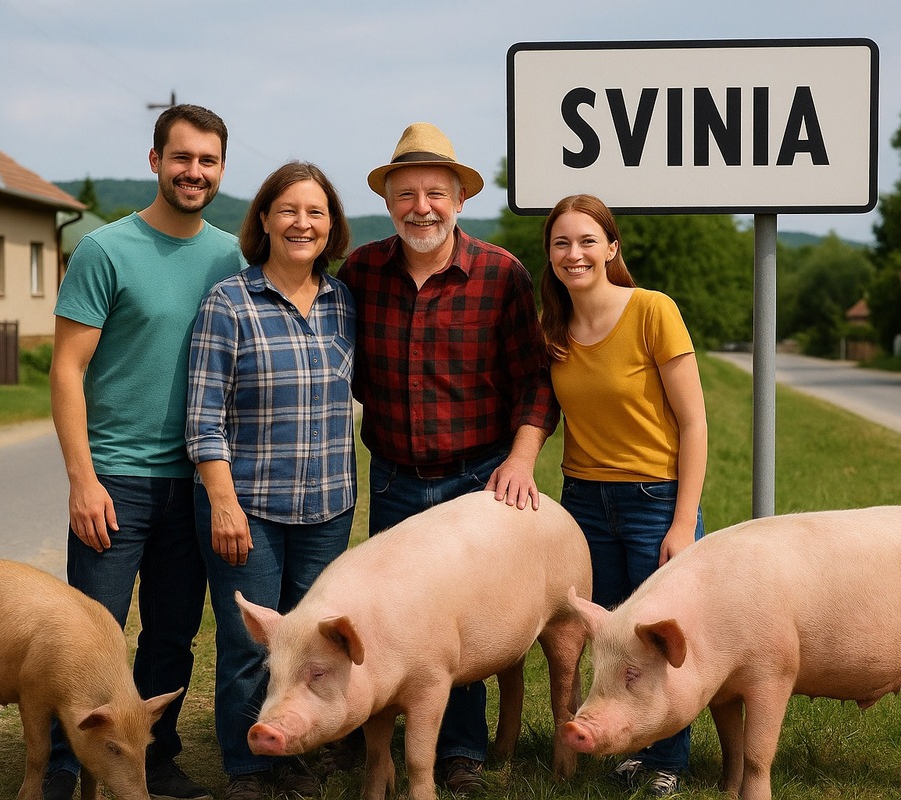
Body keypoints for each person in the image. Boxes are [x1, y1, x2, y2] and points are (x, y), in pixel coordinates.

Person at [334, 122, 559, 794]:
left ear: (459, 200)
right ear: (389, 202)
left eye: (435, 193)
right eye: (406, 194)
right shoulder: (362, 272)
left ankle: (459, 749)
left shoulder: (501, 274)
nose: (421, 207)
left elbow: (535, 382)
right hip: (398, 479)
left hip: (477, 478)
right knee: (385, 616)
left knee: (465, 622)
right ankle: (362, 727)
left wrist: (520, 460)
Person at [46, 104, 244, 800]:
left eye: (208, 161)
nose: (195, 172)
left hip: (192, 479)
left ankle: (154, 760)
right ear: (155, 159)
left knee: (172, 633)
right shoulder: (106, 250)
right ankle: (63, 769)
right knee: (88, 642)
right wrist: (83, 479)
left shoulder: (229, 255)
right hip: (116, 478)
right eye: (183, 158)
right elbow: (67, 369)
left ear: (222, 168)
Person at [186, 162, 355, 800]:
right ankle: (249, 768)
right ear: (263, 220)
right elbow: (203, 420)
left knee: (308, 647)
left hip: (328, 510)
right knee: (248, 646)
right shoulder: (229, 302)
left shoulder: (343, 304)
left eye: (315, 212)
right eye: (288, 211)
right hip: (248, 508)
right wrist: (223, 505)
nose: (301, 223)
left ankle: (293, 752)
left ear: (331, 226)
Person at [539, 194, 708, 797]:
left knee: (659, 637)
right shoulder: (553, 330)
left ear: (612, 248)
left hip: (653, 499)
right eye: (562, 243)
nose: (574, 253)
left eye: (587, 241)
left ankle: (671, 759)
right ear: (550, 256)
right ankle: (627, 742)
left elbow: (694, 422)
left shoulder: (652, 311)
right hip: (584, 501)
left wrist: (683, 519)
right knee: (610, 642)